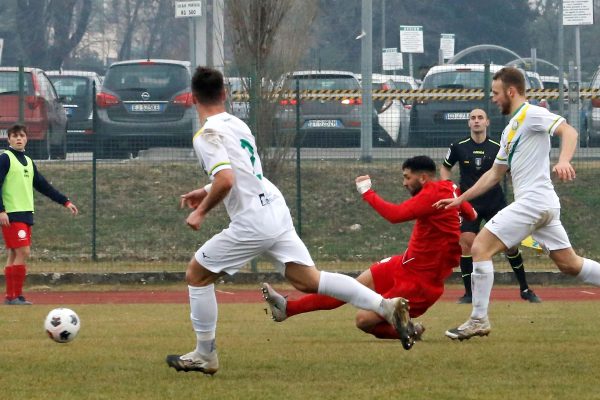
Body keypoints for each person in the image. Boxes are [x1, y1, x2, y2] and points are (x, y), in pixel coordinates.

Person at [165, 67, 413, 376]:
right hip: (273, 207)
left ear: (192, 98)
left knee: (197, 275)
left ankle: (205, 354)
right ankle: (384, 306)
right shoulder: (237, 123)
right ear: (224, 95)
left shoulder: (206, 133)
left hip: (253, 220)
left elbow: (227, 179)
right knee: (308, 280)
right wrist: (204, 190)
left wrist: (201, 210)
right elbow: (244, 173)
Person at [434, 67, 600, 341]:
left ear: (511, 91)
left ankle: (478, 319)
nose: (494, 98)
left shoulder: (532, 114)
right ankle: (478, 318)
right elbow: (494, 174)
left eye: (497, 93)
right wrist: (460, 199)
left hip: (534, 202)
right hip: (543, 205)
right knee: (570, 265)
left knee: (480, 247)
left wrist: (564, 160)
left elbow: (568, 131)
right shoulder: (511, 129)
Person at [262, 155, 477, 341]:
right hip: (403, 264)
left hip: (421, 282)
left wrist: (367, 193)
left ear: (423, 178)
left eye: (407, 177)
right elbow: (472, 214)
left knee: (363, 320)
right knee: (350, 288)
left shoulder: (432, 194)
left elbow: (395, 215)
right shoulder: (451, 188)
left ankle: (409, 330)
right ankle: (287, 309)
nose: (404, 183)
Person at [440, 108, 541, 304]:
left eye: (480, 118)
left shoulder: (498, 146)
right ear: (468, 123)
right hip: (469, 204)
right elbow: (445, 167)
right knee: (466, 243)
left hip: (495, 202)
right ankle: (469, 294)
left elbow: (512, 171)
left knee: (510, 246)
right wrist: (448, 187)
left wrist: (521, 192)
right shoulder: (458, 146)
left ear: (487, 122)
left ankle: (525, 289)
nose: (476, 121)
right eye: (473, 118)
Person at [1, 124, 78, 305]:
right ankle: (16, 296)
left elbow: (43, 185)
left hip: (26, 214)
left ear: (26, 138)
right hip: (12, 214)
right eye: (15, 136)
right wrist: (1, 210)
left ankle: (11, 296)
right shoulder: (5, 159)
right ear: (9, 139)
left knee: (14, 254)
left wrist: (65, 201)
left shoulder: (28, 160)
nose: (19, 139)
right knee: (23, 252)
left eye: (22, 135)